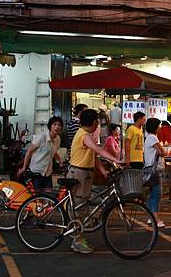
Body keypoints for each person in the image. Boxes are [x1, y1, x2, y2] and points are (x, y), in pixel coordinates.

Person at [66, 109, 121, 254]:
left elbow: (93, 155)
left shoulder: (85, 135)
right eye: (98, 121)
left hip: (84, 173)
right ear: (94, 122)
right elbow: (96, 148)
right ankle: (77, 241)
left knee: (82, 205)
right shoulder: (84, 135)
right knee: (79, 207)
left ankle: (78, 237)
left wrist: (103, 170)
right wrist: (116, 159)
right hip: (79, 174)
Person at [17, 116, 63, 189]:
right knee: (37, 195)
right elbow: (29, 151)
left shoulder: (58, 139)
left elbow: (53, 151)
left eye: (59, 125)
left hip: (48, 171)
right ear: (50, 126)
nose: (57, 127)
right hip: (37, 171)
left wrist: (60, 160)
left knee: (48, 194)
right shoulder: (41, 137)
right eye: (54, 124)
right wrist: (24, 168)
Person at [144, 118, 166, 228]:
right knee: (156, 194)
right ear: (155, 127)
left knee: (152, 194)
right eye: (159, 126)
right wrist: (164, 150)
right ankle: (156, 220)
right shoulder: (152, 137)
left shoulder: (149, 137)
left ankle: (150, 217)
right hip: (155, 171)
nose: (161, 128)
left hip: (151, 170)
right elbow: (162, 152)